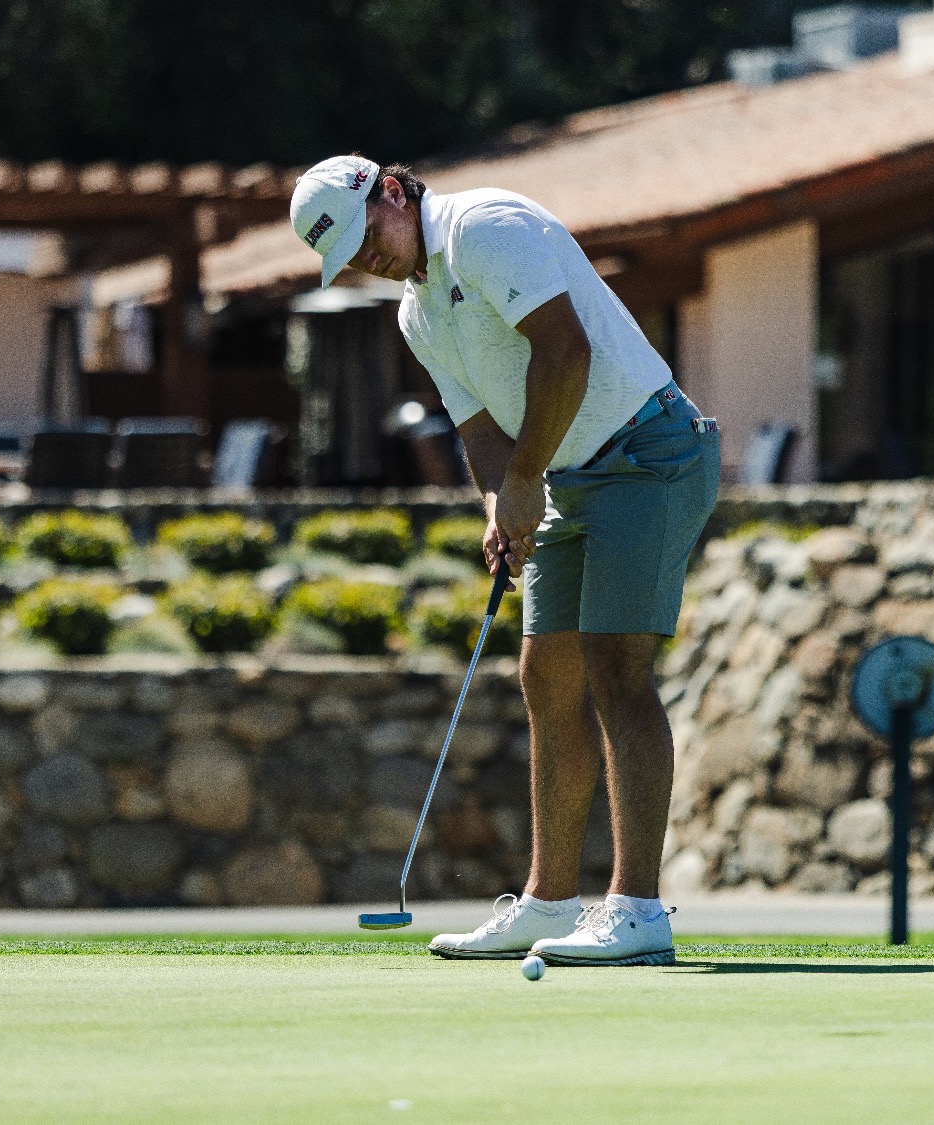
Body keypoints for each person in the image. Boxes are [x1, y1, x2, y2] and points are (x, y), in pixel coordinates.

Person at [290, 155, 719, 967]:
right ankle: (548, 901)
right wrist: (501, 505)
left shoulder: (487, 228)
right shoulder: (417, 313)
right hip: (563, 469)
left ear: (391, 191)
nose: (363, 261)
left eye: (362, 238)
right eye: (345, 256)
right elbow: (480, 429)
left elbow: (567, 355)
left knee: (616, 670)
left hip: (648, 453)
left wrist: (525, 483)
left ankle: (636, 911)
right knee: (543, 674)